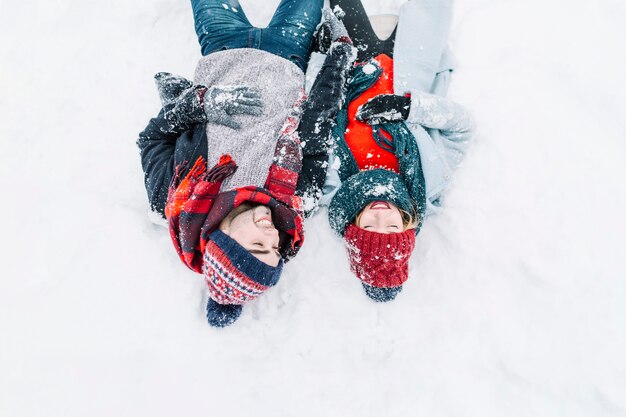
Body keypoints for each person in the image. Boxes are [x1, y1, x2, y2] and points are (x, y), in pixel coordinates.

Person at [137, 0, 356, 327]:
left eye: (257, 244)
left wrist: (201, 104)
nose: (271, 235)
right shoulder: (296, 201)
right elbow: (317, 126)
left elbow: (152, 139)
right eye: (274, 249)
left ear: (221, 239)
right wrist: (339, 57)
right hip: (288, 50)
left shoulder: (177, 200)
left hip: (222, 47)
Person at [310, 0, 474, 302]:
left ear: (354, 223)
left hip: (353, 59)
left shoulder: (330, 185)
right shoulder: (430, 180)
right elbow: (463, 127)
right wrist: (408, 108)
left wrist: (321, 57)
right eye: (392, 227)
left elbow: (315, 113)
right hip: (412, 64)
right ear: (407, 225)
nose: (380, 216)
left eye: (370, 226)